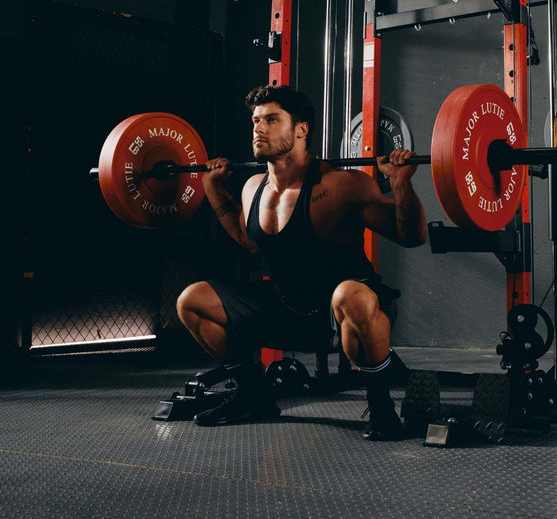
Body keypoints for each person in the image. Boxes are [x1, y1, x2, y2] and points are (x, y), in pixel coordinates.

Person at [176, 84, 428, 439]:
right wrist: (215, 191)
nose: (258, 129)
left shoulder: (341, 185)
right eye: (255, 121)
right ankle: (253, 395)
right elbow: (250, 243)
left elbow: (412, 236)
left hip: (345, 315)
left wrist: (401, 184)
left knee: (349, 294)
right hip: (286, 308)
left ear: (300, 130)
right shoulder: (252, 188)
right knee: (192, 301)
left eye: (271, 119)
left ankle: (383, 408)